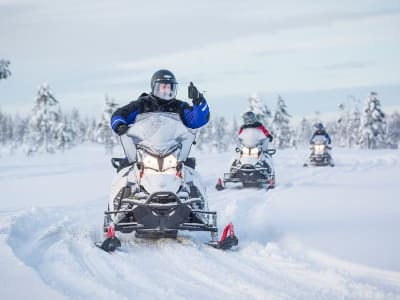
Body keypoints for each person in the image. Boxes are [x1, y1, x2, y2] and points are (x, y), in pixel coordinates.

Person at [111, 69, 209, 136]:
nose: (167, 90)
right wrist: (120, 125)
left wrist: (198, 100)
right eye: (164, 87)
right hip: (143, 151)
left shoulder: (179, 106)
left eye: (170, 87)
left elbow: (198, 120)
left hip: (173, 151)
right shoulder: (142, 104)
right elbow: (119, 114)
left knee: (188, 165)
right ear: (155, 87)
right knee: (127, 164)